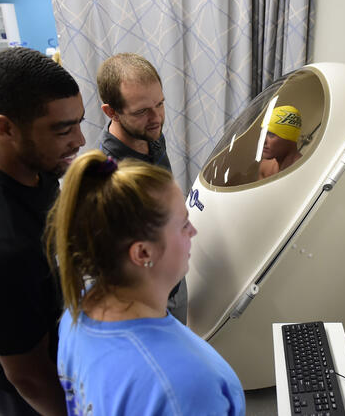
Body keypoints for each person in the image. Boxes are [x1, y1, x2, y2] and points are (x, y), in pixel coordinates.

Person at [45, 150, 245, 415]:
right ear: (143, 253)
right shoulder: (184, 385)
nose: (193, 231)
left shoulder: (76, 314)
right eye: (184, 224)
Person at [0, 47, 85, 415]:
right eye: (63, 130)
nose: (80, 140)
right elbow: (27, 376)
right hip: (31, 394)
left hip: (57, 343)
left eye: (78, 122)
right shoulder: (2, 248)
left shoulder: (38, 169)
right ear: (5, 127)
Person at [96, 53, 188, 325]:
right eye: (141, 111)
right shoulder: (110, 174)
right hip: (147, 303)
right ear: (111, 111)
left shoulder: (149, 133)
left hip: (173, 282)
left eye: (160, 104)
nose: (157, 117)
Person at [258, 105, 303, 180]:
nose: (262, 141)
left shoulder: (303, 171)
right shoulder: (266, 166)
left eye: (271, 134)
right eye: (263, 133)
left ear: (289, 138)